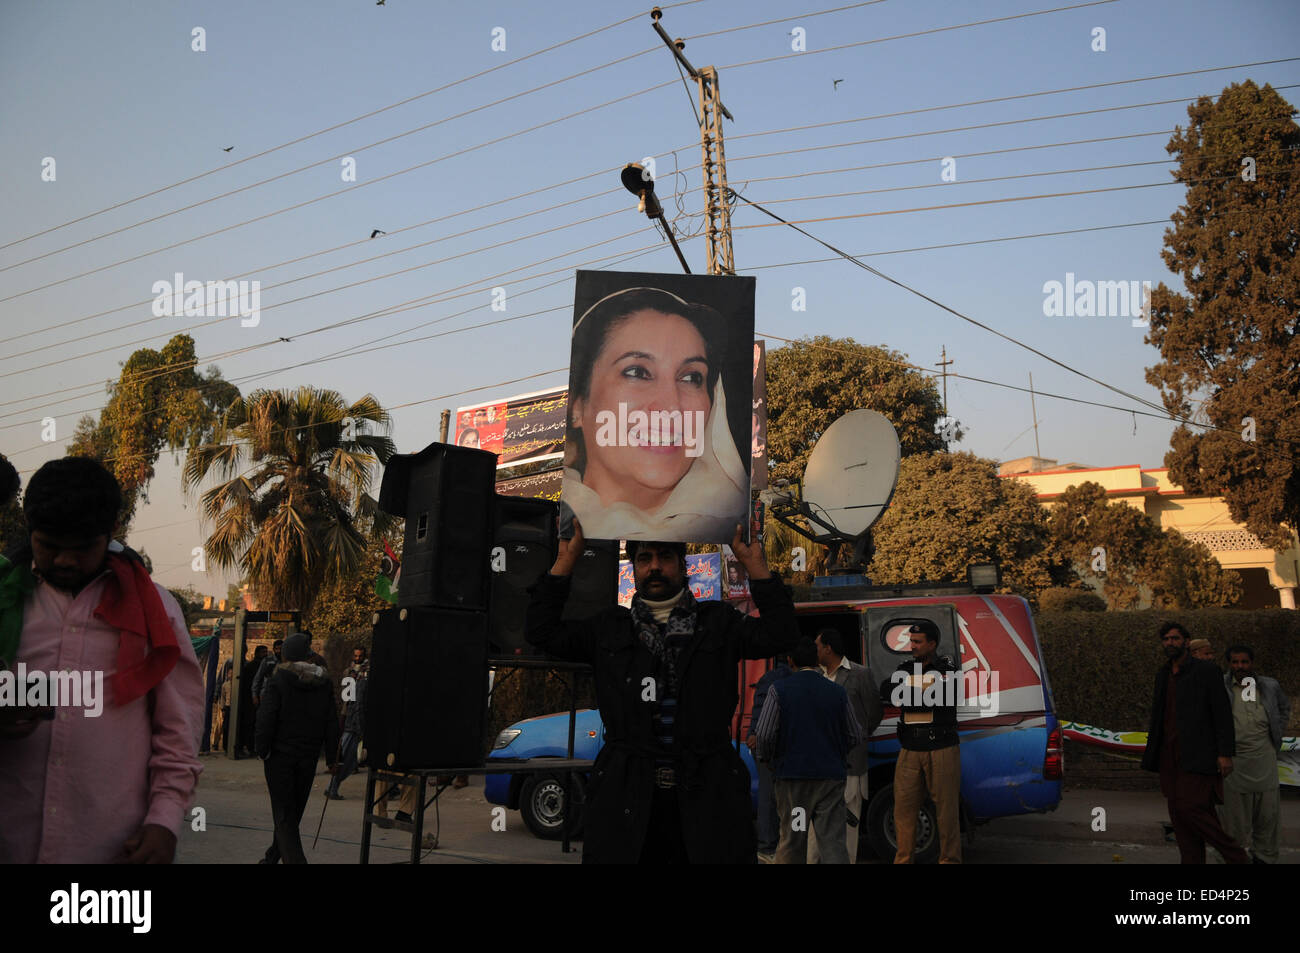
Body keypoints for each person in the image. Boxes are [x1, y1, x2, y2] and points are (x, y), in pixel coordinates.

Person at [525, 516, 797, 863]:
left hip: (707, 800)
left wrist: (754, 566)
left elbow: (783, 635)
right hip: (626, 801)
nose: (655, 567)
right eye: (644, 558)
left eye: (665, 557)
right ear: (634, 569)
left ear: (683, 567)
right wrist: (566, 561)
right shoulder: (609, 629)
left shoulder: (719, 623)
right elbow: (541, 633)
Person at [0, 456, 204, 863]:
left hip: (108, 847)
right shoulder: (5, 601)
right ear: (30, 531)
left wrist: (164, 821)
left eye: (82, 548)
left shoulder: (154, 611)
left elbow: (178, 731)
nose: (65, 561)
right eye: (50, 546)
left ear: (110, 534)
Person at [562, 286, 749, 541]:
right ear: (577, 405)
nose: (671, 406)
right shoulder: (551, 532)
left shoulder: (726, 532)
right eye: (637, 372)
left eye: (692, 377)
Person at [1140, 622, 1248, 864]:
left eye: (1175, 638)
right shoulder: (1163, 674)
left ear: (1186, 642)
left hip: (1199, 754)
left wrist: (1225, 753)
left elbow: (1221, 712)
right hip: (1169, 756)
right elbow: (1159, 716)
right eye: (1166, 639)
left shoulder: (1206, 671)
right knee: (1178, 814)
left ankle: (1237, 857)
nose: (1170, 643)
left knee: (1192, 808)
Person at [754, 638, 862, 864]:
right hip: (830, 782)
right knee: (832, 842)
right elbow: (854, 734)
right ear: (816, 660)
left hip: (794, 784)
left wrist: (768, 759)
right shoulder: (836, 692)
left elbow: (764, 734)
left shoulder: (779, 690)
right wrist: (837, 753)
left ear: (790, 660)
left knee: (794, 840)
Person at [255, 632, 340, 864]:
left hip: (280, 756)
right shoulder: (323, 682)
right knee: (293, 812)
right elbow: (331, 722)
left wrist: (261, 749)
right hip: (308, 757)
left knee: (283, 813)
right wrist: (332, 757)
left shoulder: (279, 679)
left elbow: (267, 716)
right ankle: (271, 858)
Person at [883, 621, 962, 864]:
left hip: (941, 748)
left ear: (932, 644)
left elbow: (941, 696)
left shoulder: (947, 667)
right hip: (910, 749)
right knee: (903, 810)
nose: (912, 646)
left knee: (946, 811)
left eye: (917, 642)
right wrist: (919, 689)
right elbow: (887, 690)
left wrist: (909, 688)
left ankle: (949, 860)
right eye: (911, 641)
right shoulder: (905, 667)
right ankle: (903, 859)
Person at [811, 627, 882, 863]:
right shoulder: (814, 675)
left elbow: (873, 714)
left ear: (828, 649)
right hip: (819, 766)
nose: (815, 649)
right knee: (813, 826)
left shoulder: (860, 674)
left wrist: (855, 739)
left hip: (850, 764)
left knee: (849, 824)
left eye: (817, 645)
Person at [1218, 644, 1291, 864]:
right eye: (1235, 662)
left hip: (1264, 760)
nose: (1240, 666)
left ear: (1252, 663)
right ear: (1229, 664)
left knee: (1267, 817)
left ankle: (1264, 859)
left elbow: (1284, 709)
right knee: (1233, 822)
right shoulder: (1220, 686)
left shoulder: (1269, 686)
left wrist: (1276, 731)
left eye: (1244, 662)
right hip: (1234, 763)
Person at [748, 656, 792, 862]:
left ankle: (767, 848)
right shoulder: (793, 678)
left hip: (766, 748)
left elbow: (759, 717)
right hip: (783, 748)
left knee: (767, 798)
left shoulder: (768, 679)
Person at [326, 646, 368, 799]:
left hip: (361, 718)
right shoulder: (349, 672)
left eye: (360, 655)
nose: (357, 658)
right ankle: (332, 787)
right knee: (345, 758)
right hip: (351, 720)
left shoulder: (368, 672)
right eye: (356, 655)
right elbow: (347, 698)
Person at [252, 638, 284, 705]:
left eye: (281, 649)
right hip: (267, 693)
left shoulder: (286, 662)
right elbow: (258, 678)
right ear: (274, 649)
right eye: (277, 649)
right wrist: (254, 695)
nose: (279, 651)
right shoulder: (267, 661)